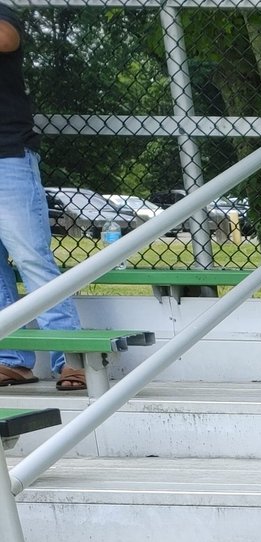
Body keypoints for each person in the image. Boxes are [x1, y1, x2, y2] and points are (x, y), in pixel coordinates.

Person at [0, 4, 85, 392]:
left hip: (7, 155)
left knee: (33, 257)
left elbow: (7, 38)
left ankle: (71, 358)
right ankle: (12, 359)